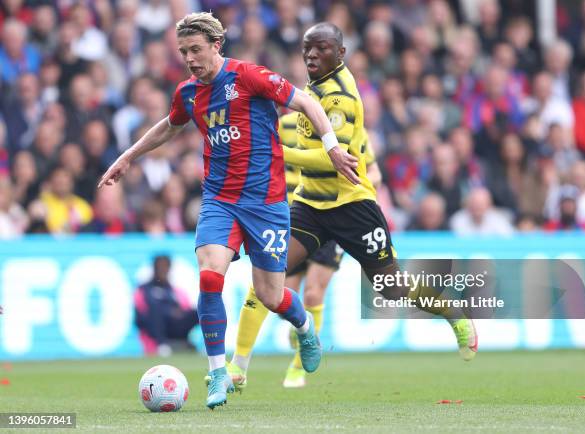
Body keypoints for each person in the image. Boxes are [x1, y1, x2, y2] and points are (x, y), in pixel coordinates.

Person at [98, 12, 358, 409]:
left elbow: (305, 102)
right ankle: (218, 371)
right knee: (209, 276)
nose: (189, 58)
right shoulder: (188, 92)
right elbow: (169, 125)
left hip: (266, 204)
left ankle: (305, 328)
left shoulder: (249, 77)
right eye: (183, 51)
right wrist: (128, 156)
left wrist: (332, 147)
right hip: (219, 201)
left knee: (272, 296)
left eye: (196, 50)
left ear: (216, 46)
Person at [225, 22, 478, 391]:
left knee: (391, 286)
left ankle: (454, 314)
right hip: (310, 204)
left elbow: (332, 160)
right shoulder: (313, 91)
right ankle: (238, 367)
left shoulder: (340, 97)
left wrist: (277, 153)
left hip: (352, 206)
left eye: (321, 49)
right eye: (307, 48)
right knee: (267, 275)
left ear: (340, 54)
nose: (311, 55)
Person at [230, 111, 382, 389]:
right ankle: (301, 328)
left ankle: (298, 367)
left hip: (335, 213)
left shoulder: (347, 127)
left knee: (313, 292)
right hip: (294, 217)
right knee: (275, 295)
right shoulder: (281, 126)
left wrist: (361, 188)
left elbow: (374, 171)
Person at [134, 255, 198, 357]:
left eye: (166, 267)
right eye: (160, 267)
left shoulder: (175, 291)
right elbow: (140, 318)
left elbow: (186, 309)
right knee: (155, 311)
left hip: (175, 328)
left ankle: (208, 345)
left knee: (199, 312)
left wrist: (178, 313)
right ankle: (162, 346)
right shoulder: (143, 290)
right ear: (154, 268)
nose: (163, 270)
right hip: (156, 332)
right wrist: (168, 312)